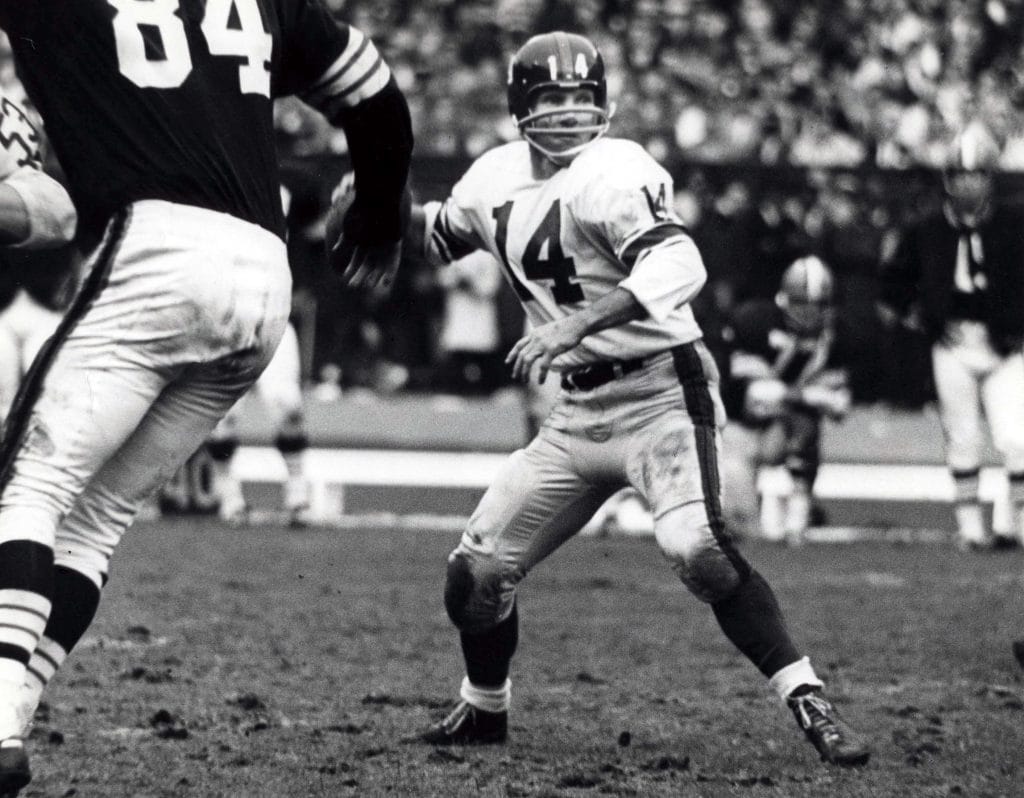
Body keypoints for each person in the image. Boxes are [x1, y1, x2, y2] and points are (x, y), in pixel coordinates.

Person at [403, 32, 870, 767]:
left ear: (604, 103)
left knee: (698, 551)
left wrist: (582, 322)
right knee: (474, 576)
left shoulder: (616, 169)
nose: (565, 113)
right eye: (550, 98)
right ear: (519, 105)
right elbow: (440, 235)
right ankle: (485, 708)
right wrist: (375, 211)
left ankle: (807, 695)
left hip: (659, 392)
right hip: (578, 414)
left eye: (578, 98)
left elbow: (679, 260)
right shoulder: (492, 176)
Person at [0, 2, 413, 794]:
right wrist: (380, 212)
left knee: (30, 486)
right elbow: (378, 98)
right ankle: (14, 709)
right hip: (262, 278)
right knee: (96, 516)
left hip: (155, 247)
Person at [878, 121, 1024, 552]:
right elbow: (893, 283)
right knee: (962, 437)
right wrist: (925, 317)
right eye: (960, 175)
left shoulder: (1014, 225)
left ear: (989, 179)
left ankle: (1012, 522)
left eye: (976, 174)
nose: (967, 184)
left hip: (1007, 345)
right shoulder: (927, 228)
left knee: (1015, 437)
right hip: (954, 343)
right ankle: (970, 527)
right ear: (947, 180)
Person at [723, 256, 853, 545]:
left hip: (777, 433)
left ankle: (799, 513)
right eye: (801, 302)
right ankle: (631, 514)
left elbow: (841, 406)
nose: (809, 312)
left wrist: (812, 398)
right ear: (785, 299)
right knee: (744, 530)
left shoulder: (836, 337)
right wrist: (810, 394)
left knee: (806, 423)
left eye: (817, 304)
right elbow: (751, 395)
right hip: (735, 434)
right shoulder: (755, 322)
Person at [0, 90, 77, 419]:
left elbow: (61, 218)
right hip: (14, 308)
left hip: (37, 305)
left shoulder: (58, 177)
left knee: (48, 416)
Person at [208, 320, 313, 527]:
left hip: (273, 320)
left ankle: (298, 498)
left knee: (287, 410)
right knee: (222, 419)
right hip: (227, 325)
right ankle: (231, 499)